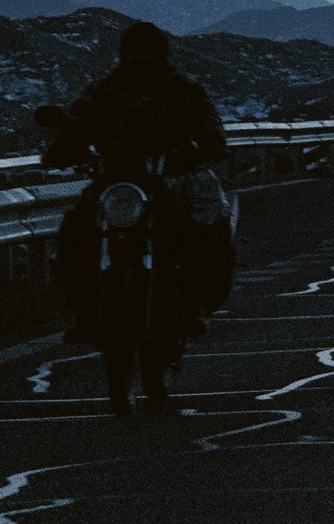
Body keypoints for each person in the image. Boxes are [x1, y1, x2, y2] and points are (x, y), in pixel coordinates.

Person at [47, 21, 230, 349]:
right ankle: (88, 312)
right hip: (114, 187)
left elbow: (210, 128)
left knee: (198, 230)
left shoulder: (183, 91)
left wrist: (202, 149)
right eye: (134, 51)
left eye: (149, 51)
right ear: (123, 54)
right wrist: (61, 148)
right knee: (75, 231)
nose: (141, 58)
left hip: (165, 182)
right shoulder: (105, 91)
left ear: (161, 53)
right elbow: (79, 122)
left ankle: (190, 303)